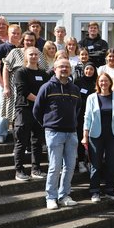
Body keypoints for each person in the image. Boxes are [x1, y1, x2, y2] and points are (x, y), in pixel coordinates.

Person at [33, 58, 81, 210]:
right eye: (61, 67)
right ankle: (51, 197)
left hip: (71, 133)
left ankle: (64, 195)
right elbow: (37, 110)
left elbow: (78, 109)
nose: (64, 69)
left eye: (67, 67)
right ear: (55, 69)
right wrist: (48, 125)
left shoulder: (74, 89)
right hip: (54, 132)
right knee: (54, 166)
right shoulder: (47, 87)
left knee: (70, 166)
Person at [82, 72, 114, 203]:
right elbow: (87, 117)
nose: (104, 83)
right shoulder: (91, 97)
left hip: (113, 135)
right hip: (95, 135)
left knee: (112, 164)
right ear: (98, 83)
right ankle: (95, 191)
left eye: (106, 81)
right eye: (101, 81)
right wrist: (85, 136)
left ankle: (109, 190)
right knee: (95, 164)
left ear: (110, 82)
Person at [13, 46, 49, 181]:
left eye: (36, 54)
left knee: (37, 142)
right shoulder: (20, 72)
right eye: (31, 54)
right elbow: (23, 91)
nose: (34, 56)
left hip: (38, 112)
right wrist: (40, 101)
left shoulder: (44, 74)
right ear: (25, 56)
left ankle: (36, 169)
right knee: (21, 141)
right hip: (24, 109)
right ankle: (19, 170)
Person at [2, 31, 47, 136]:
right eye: (27, 40)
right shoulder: (15, 52)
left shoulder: (38, 53)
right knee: (17, 117)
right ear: (23, 40)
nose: (29, 42)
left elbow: (44, 70)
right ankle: (18, 141)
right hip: (16, 89)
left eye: (32, 40)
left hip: (34, 91)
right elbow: (6, 68)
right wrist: (6, 86)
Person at [0, 24, 21, 144]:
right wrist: (2, 83)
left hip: (18, 84)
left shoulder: (21, 49)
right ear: (8, 33)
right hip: (4, 84)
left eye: (18, 33)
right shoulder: (1, 48)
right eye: (13, 33)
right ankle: (0, 133)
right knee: (3, 108)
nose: (16, 35)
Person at [73, 62, 97, 174]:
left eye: (91, 69)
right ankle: (81, 161)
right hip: (80, 115)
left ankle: (90, 161)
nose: (89, 71)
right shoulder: (78, 82)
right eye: (87, 69)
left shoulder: (96, 82)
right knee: (81, 138)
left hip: (95, 115)